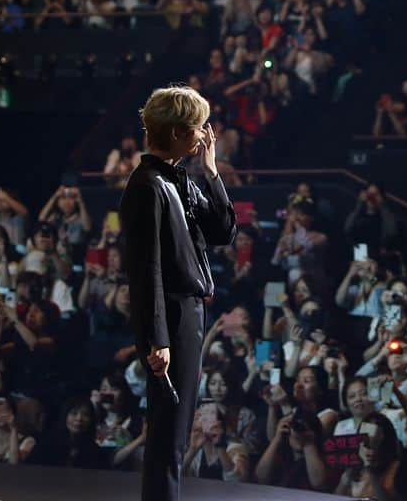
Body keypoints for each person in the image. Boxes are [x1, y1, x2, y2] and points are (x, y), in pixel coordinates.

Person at [120, 85, 236, 501]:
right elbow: (145, 267)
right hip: (170, 317)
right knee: (168, 434)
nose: (205, 134)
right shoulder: (146, 185)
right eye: (196, 127)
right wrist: (158, 337)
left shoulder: (178, 180)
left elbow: (223, 231)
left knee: (178, 430)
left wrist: (211, 171)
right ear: (174, 132)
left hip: (187, 313)